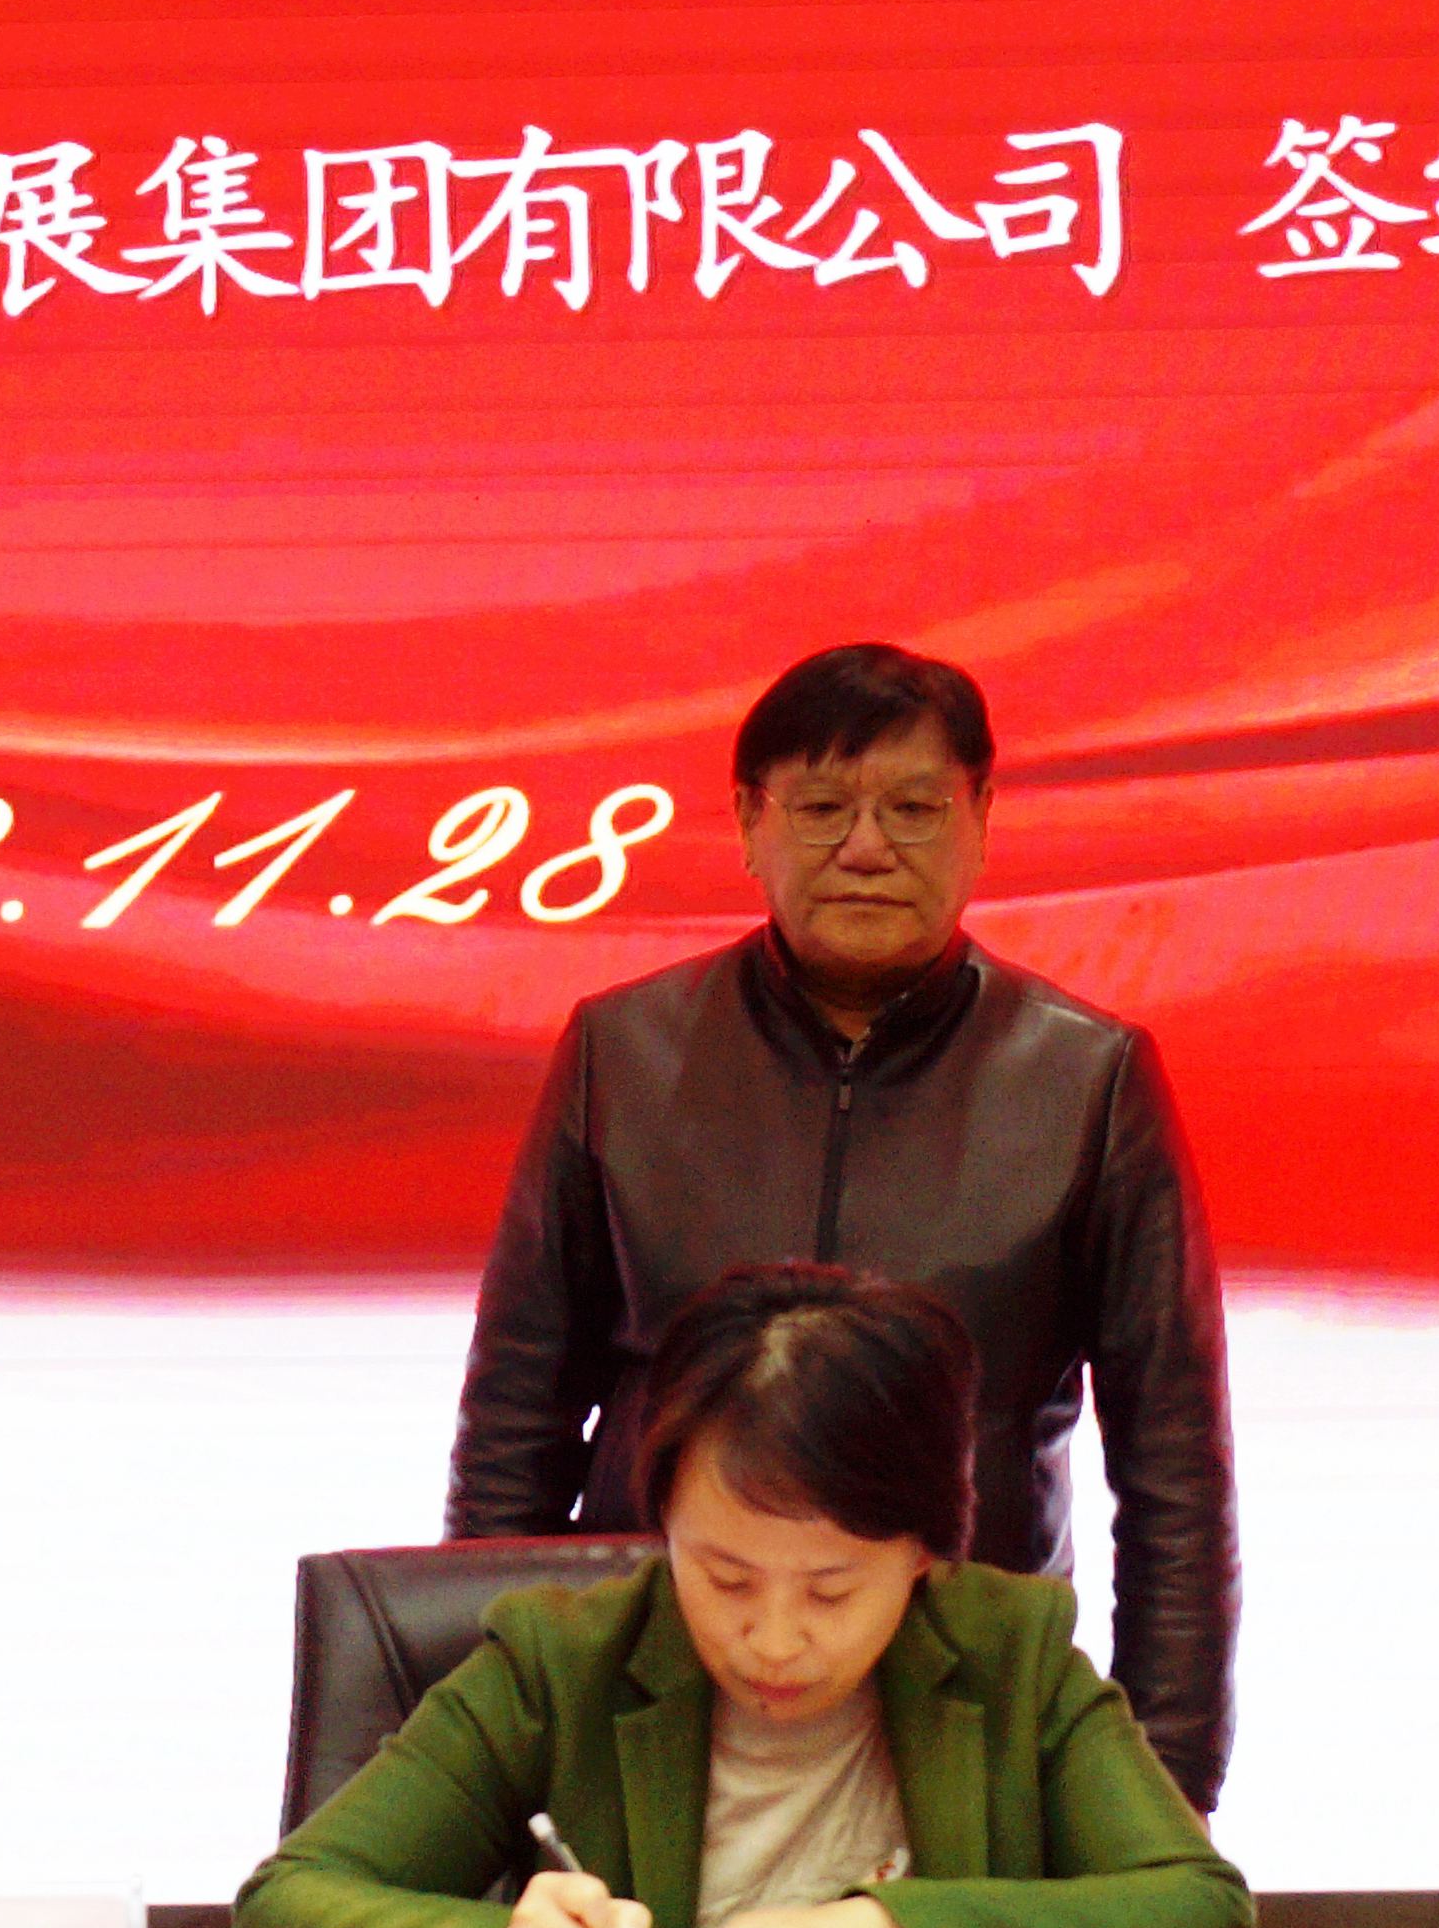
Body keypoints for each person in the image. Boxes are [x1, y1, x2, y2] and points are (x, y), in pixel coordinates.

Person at [450, 641, 1238, 1809]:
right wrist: (491, 1732)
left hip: (964, 1698)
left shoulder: (1088, 1080)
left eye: (912, 809)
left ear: (980, 818)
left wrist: (1167, 1788)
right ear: (748, 822)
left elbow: (1174, 1472)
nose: (866, 848)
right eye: (822, 809)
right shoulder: (622, 1053)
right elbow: (516, 1422)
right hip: (647, 1688)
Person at [250, 1263, 1245, 1928]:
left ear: (921, 1555)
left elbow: (1196, 1913)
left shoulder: (1007, 1653)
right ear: (665, 1529)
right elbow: (287, 1906)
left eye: (830, 1591)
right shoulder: (561, 1662)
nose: (772, 1641)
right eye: (724, 1579)